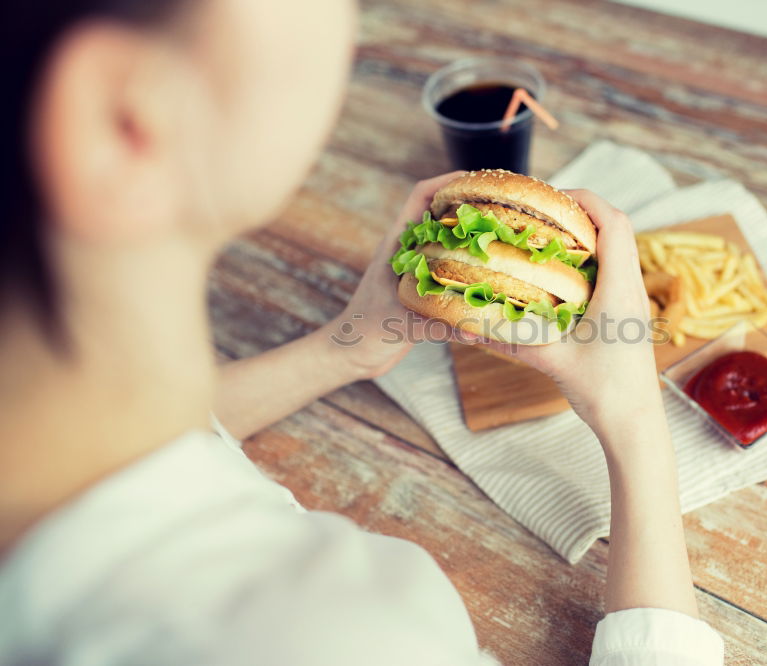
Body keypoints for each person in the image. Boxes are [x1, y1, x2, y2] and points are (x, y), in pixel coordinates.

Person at [0, 0, 724, 664]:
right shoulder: (331, 637)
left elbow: (164, 451)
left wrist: (342, 349)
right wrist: (633, 418)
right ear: (123, 119)